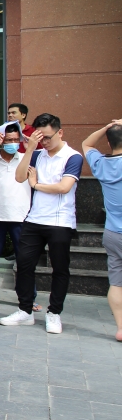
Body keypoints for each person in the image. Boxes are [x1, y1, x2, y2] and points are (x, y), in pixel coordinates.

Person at [0, 113, 83, 334]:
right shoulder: (37, 155)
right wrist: (29, 149)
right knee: (24, 264)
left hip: (60, 221)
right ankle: (25, 310)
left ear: (60, 132)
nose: (44, 142)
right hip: (34, 219)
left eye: (47, 137)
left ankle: (54, 313)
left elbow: (64, 187)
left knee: (60, 268)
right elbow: (19, 177)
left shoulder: (72, 157)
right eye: (40, 137)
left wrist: (36, 185)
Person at [0, 124, 37, 309]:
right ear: (0, 140)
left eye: (16, 140)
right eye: (8, 140)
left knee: (25, 260)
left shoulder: (26, 158)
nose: (13, 143)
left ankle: (29, 298)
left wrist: (30, 147)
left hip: (21, 216)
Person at [82, 120, 122, 341]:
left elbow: (86, 144)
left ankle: (121, 328)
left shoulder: (101, 164)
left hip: (112, 233)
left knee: (116, 282)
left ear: (108, 142)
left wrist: (106, 128)